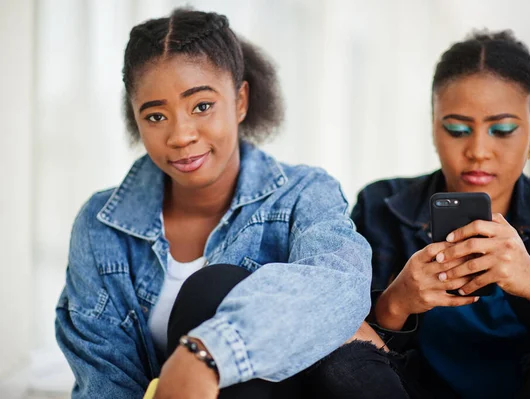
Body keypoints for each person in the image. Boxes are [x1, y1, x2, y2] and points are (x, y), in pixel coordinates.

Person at [55, 8, 372, 399]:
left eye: (201, 106)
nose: (181, 135)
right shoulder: (100, 227)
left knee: (214, 287)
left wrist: (207, 355)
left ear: (240, 101)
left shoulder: (304, 193)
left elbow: (341, 285)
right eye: (155, 116)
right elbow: (104, 381)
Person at [308, 30, 530, 399]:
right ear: (434, 127)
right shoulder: (381, 204)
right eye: (457, 129)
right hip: (410, 389)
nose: (478, 150)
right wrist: (397, 302)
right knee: (340, 330)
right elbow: (339, 336)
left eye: (502, 130)